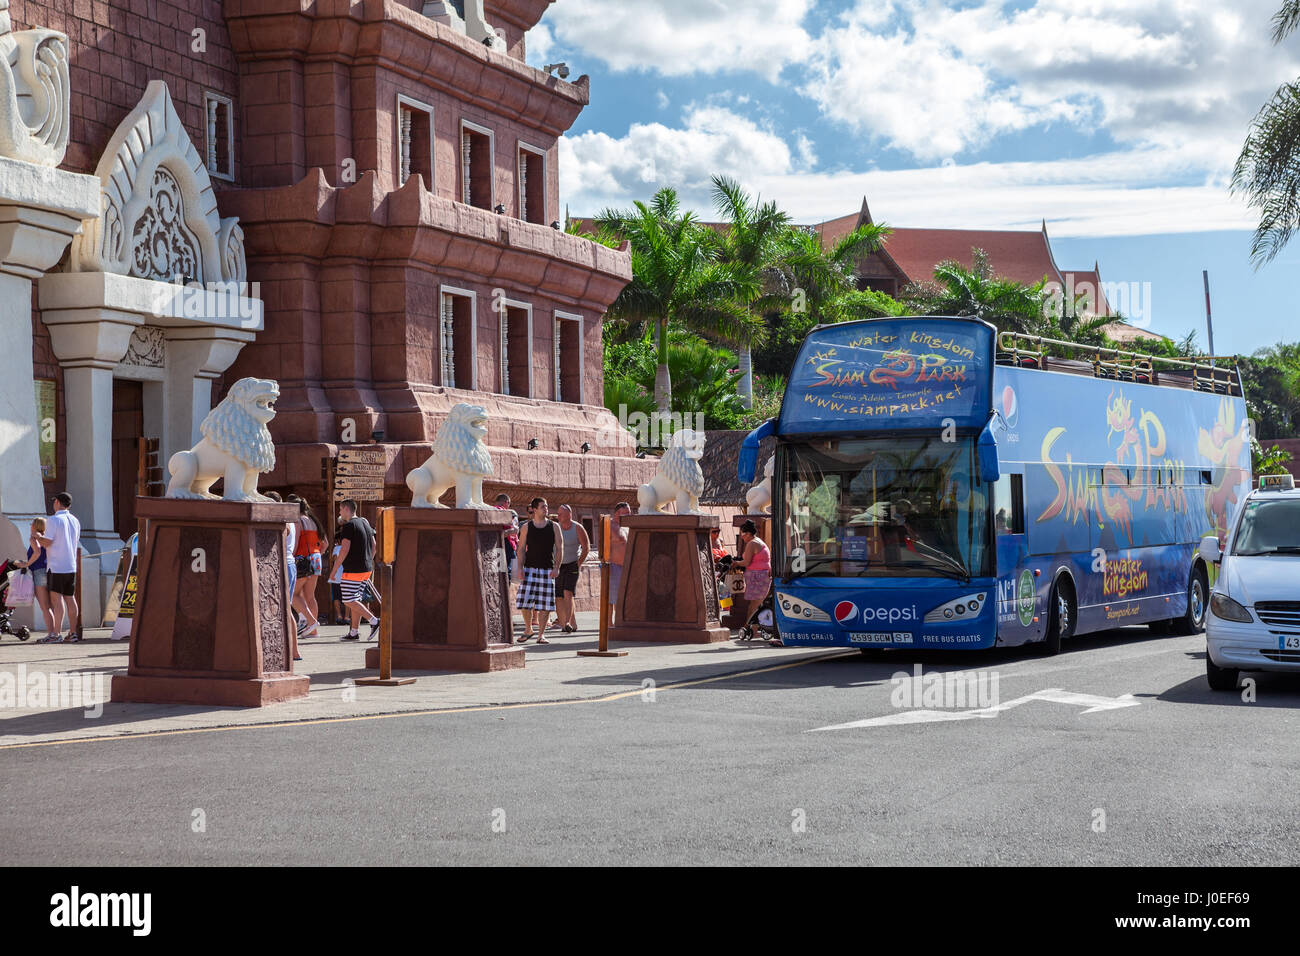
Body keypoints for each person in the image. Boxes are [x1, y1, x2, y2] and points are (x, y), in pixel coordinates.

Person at [329, 499, 380, 641]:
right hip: (366, 568)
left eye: (340, 509)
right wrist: (368, 560)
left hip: (353, 569)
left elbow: (344, 550)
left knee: (348, 600)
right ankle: (354, 632)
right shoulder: (364, 522)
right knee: (355, 599)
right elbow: (374, 545)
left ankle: (374, 621)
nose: (339, 512)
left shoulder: (349, 525)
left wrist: (334, 570)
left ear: (346, 509)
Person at [514, 497, 561, 644]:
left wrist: (557, 567)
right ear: (534, 510)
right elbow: (520, 549)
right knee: (524, 601)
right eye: (542, 507)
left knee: (545, 604)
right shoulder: (526, 527)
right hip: (529, 569)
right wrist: (520, 568)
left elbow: (560, 548)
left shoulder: (554, 526)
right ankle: (528, 629)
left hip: (547, 570)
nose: (546, 509)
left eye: (546, 506)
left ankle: (541, 635)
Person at [35, 492, 81, 643]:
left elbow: (47, 543)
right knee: (70, 598)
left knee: (57, 600)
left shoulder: (53, 520)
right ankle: (73, 633)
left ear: (58, 502)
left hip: (56, 565)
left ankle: (56, 634)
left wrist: (37, 537)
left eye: (54, 501)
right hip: (71, 565)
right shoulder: (75, 520)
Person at [289, 496, 327, 640]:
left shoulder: (298, 520)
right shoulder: (314, 521)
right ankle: (313, 631)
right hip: (316, 558)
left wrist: (291, 556)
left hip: (303, 558)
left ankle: (311, 622)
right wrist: (316, 554)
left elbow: (295, 540)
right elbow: (325, 544)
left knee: (293, 594)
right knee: (310, 596)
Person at [551, 504, 590, 633]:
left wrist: (578, 563)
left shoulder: (577, 528)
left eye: (561, 514)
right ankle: (568, 623)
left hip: (572, 564)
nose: (558, 516)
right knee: (559, 596)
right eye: (558, 514)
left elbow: (586, 547)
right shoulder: (556, 527)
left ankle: (567, 621)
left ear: (569, 515)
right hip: (558, 565)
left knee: (568, 593)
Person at [14, 517, 55, 638]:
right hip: (50, 570)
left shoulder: (33, 537)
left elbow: (37, 552)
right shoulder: (47, 538)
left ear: (35, 526)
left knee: (45, 607)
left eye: (31, 523)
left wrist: (26, 564)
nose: (30, 525)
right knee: (52, 605)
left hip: (38, 571)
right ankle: (55, 632)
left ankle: (51, 633)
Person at [732, 519, 772, 605]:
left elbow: (746, 563)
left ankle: (753, 618)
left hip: (756, 576)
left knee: (755, 604)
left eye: (742, 533)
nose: (741, 536)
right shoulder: (758, 541)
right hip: (762, 575)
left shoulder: (752, 544)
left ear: (749, 533)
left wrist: (736, 563)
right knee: (758, 603)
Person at [607, 502, 631, 626]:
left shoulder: (627, 526)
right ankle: (609, 624)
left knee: (623, 597)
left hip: (626, 567)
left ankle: (620, 622)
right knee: (612, 598)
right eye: (626, 512)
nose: (629, 515)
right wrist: (605, 564)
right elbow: (602, 545)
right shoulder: (609, 525)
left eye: (629, 512)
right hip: (613, 566)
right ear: (617, 513)